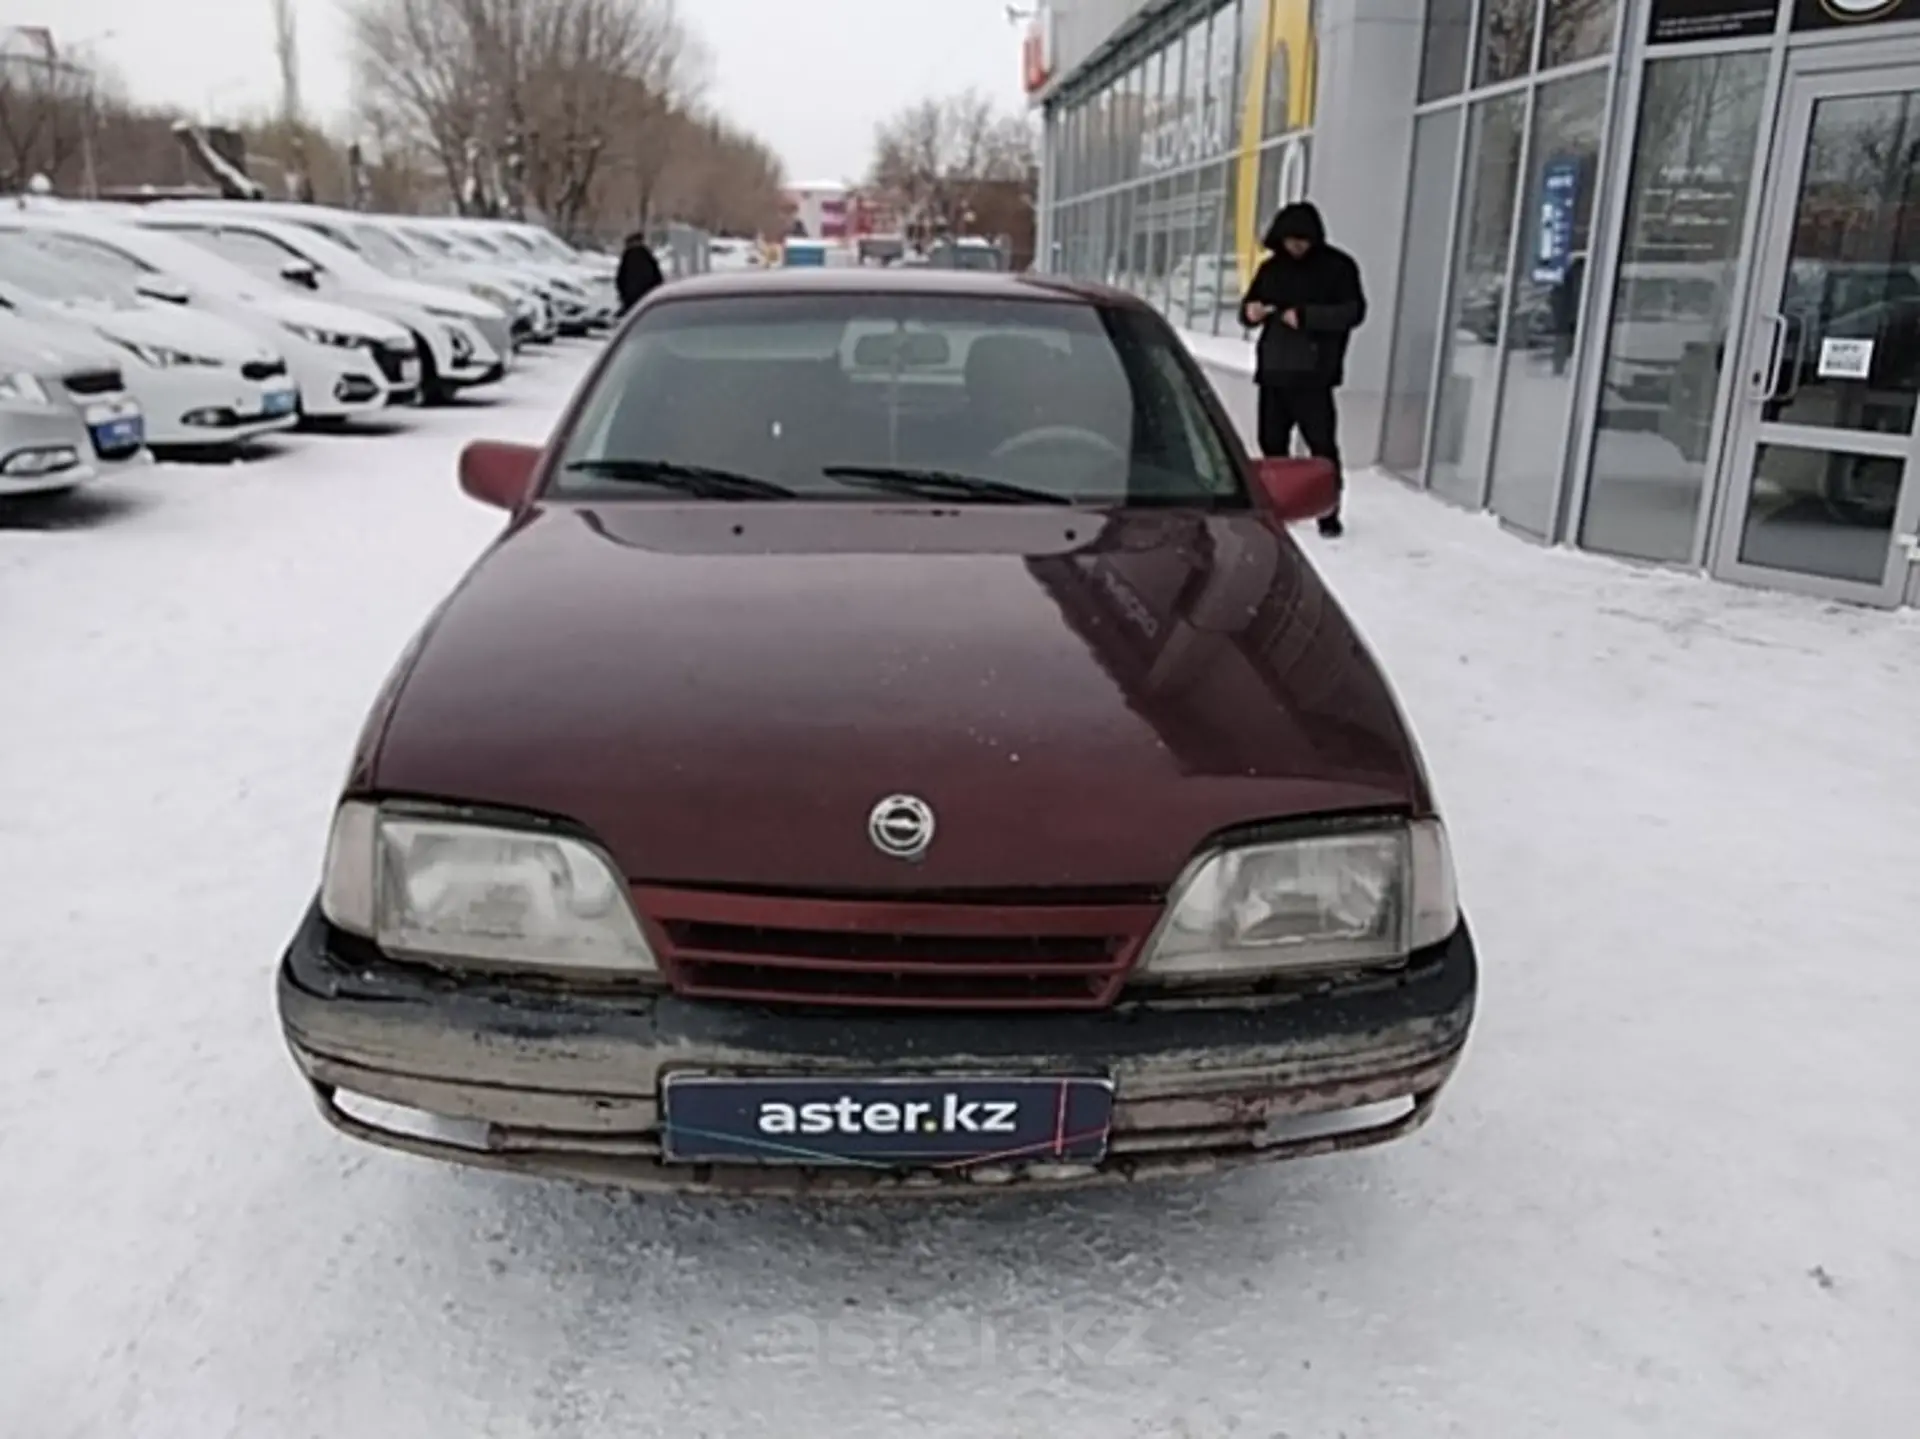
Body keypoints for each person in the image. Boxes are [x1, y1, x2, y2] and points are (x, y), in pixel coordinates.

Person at [1239, 201, 1367, 537]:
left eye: (1303, 240)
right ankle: (1278, 507)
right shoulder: (1271, 269)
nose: (1296, 247)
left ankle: (1329, 512)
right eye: (1290, 240)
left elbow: (1353, 311)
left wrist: (1307, 317)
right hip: (1273, 371)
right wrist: (1250, 312)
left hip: (1314, 374)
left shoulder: (1338, 268)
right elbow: (1249, 305)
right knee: (1272, 444)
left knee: (1321, 447)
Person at [616, 232, 666, 314]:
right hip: (648, 300)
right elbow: (658, 278)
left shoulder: (628, 256)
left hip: (631, 300)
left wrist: (624, 297)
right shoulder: (647, 255)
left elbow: (620, 279)